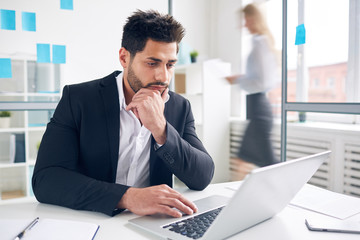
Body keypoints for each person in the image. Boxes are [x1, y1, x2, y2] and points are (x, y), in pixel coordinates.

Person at [32, 9, 214, 218]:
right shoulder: (78, 99)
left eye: (170, 64)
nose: (163, 77)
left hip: (151, 224)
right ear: (124, 57)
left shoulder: (179, 107)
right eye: (152, 63)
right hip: (93, 219)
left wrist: (161, 129)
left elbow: (202, 176)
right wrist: (127, 197)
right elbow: (46, 179)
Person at [226, 4, 280, 180]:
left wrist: (237, 79)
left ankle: (233, 203)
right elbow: (260, 78)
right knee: (252, 162)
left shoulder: (260, 43)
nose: (245, 24)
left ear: (254, 19)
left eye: (247, 19)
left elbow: (262, 81)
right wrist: (242, 78)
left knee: (245, 161)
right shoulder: (261, 41)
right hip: (257, 108)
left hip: (259, 109)